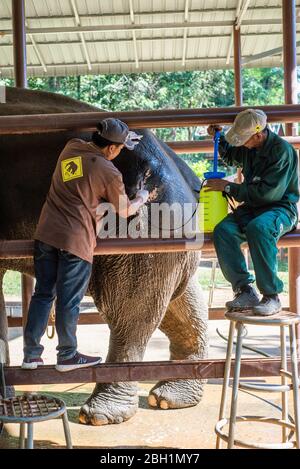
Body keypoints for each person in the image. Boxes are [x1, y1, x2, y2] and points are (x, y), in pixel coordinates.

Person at [22, 118, 149, 371]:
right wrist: (142, 198)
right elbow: (124, 211)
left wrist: (123, 140)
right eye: (121, 148)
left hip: (46, 234)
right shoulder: (109, 172)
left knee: (43, 294)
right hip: (76, 240)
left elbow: (85, 165)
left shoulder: (71, 148)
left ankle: (31, 355)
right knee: (69, 300)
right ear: (112, 149)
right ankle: (67, 355)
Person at [206, 109, 299, 316]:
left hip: (280, 207)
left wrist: (228, 187)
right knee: (223, 230)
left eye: (243, 139)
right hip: (253, 206)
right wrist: (219, 139)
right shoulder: (251, 146)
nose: (242, 144)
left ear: (258, 134)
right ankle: (244, 289)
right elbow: (232, 155)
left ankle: (271, 295)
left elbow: (267, 194)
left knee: (260, 228)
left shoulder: (282, 151)